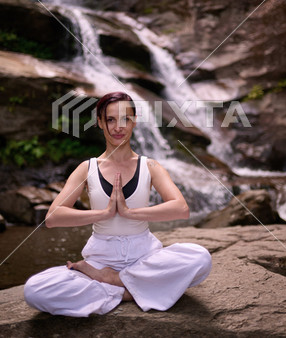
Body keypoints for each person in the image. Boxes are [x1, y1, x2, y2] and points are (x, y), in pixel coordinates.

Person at [24, 92, 212, 317]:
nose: (118, 127)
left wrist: (129, 213)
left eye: (125, 119)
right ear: (100, 123)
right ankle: (139, 289)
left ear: (134, 121)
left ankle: (112, 283)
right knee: (34, 290)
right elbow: (53, 217)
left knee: (200, 257)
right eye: (110, 120)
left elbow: (181, 209)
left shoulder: (150, 166)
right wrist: (102, 214)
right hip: (100, 260)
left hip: (145, 258)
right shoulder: (87, 168)